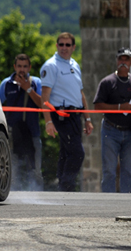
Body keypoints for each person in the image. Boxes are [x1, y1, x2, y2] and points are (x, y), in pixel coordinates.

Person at [40, 32, 94, 192]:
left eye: (67, 45)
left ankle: (62, 187)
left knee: (66, 153)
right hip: (61, 115)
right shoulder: (51, 66)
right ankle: (66, 186)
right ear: (57, 46)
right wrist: (48, 122)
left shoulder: (75, 65)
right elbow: (45, 97)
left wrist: (87, 118)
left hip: (75, 116)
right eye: (61, 44)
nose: (64, 48)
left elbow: (80, 93)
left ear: (73, 47)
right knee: (77, 153)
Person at [93, 47, 131, 193]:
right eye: (121, 59)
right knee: (109, 171)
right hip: (110, 130)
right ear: (116, 61)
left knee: (128, 172)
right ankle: (108, 202)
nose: (123, 62)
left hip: (130, 132)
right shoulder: (107, 82)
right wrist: (121, 107)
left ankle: (127, 202)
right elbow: (97, 106)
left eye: (126, 59)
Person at [0, 53, 43, 190]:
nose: (22, 70)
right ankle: (12, 196)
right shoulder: (6, 84)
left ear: (29, 68)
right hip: (12, 134)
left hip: (32, 133)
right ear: (14, 67)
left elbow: (43, 104)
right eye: (19, 66)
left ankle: (37, 195)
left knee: (35, 169)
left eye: (24, 66)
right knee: (12, 170)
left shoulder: (36, 83)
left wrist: (28, 89)